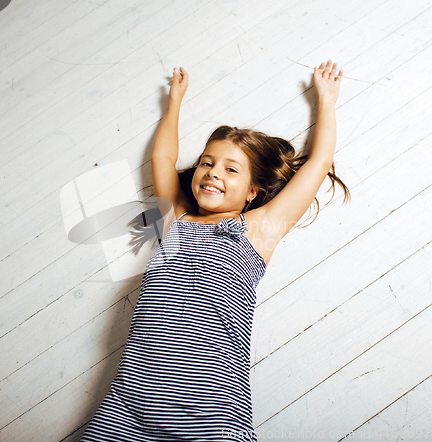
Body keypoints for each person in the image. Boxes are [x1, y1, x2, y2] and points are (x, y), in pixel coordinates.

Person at [80, 61, 350, 441]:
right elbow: (162, 160)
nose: (213, 172)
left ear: (253, 192)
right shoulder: (175, 219)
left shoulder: (258, 230)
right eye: (207, 163)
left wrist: (326, 100)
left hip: (210, 415)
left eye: (231, 170)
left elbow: (319, 162)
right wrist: (174, 103)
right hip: (128, 412)